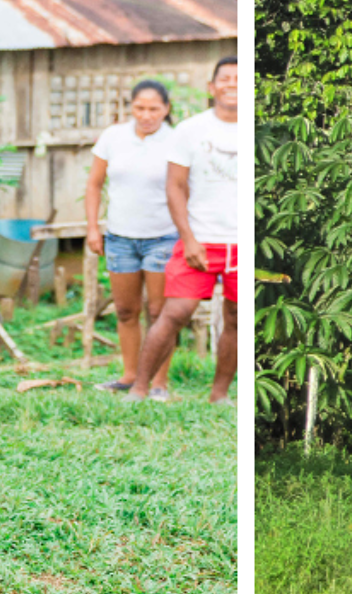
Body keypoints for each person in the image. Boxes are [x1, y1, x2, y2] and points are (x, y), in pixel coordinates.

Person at [127, 57, 239, 405]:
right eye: (225, 78)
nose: (232, 84)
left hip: (241, 243)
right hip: (201, 239)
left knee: (236, 318)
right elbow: (174, 186)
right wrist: (188, 238)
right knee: (175, 312)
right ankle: (139, 389)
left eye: (239, 78)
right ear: (212, 87)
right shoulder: (191, 130)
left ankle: (219, 394)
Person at [85, 80, 177, 396]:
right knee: (126, 311)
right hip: (120, 238)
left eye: (153, 109)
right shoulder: (113, 137)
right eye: (139, 108)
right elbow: (94, 184)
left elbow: (186, 188)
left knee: (160, 313)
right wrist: (93, 227)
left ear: (166, 109)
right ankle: (129, 376)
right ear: (131, 108)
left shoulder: (176, 140)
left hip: (163, 238)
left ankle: (159, 382)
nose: (146, 115)